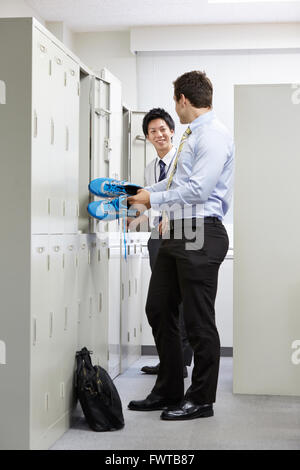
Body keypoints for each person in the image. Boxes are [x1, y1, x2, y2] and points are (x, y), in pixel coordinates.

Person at [127, 70, 234, 421]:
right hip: (177, 232)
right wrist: (141, 194)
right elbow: (175, 183)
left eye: (176, 102)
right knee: (159, 308)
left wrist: (151, 200)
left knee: (198, 320)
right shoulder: (191, 135)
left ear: (183, 100)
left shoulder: (214, 135)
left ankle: (201, 399)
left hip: (202, 231)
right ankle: (169, 388)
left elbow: (199, 191)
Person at [128, 108, 193, 378]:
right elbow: (149, 202)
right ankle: (168, 359)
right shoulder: (150, 167)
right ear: (148, 136)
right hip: (158, 234)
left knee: (181, 298)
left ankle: (181, 360)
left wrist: (168, 217)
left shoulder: (184, 157)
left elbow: (185, 193)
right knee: (162, 299)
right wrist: (131, 217)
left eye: (163, 129)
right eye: (153, 131)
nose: (159, 135)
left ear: (172, 131)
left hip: (183, 230)